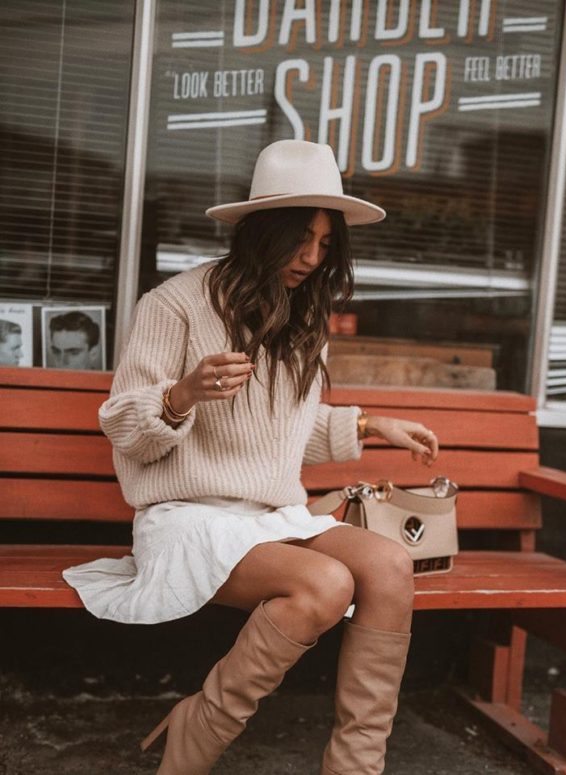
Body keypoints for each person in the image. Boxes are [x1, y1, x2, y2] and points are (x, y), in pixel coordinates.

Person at [61, 139, 439, 774]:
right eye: (300, 239)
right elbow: (125, 428)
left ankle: (355, 766)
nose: (311, 258)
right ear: (262, 229)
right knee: (324, 583)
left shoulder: (303, 318)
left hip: (270, 519)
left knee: (391, 565)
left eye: (326, 244)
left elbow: (279, 435)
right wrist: (182, 394)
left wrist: (371, 424)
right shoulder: (174, 304)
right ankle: (200, 728)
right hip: (186, 518)